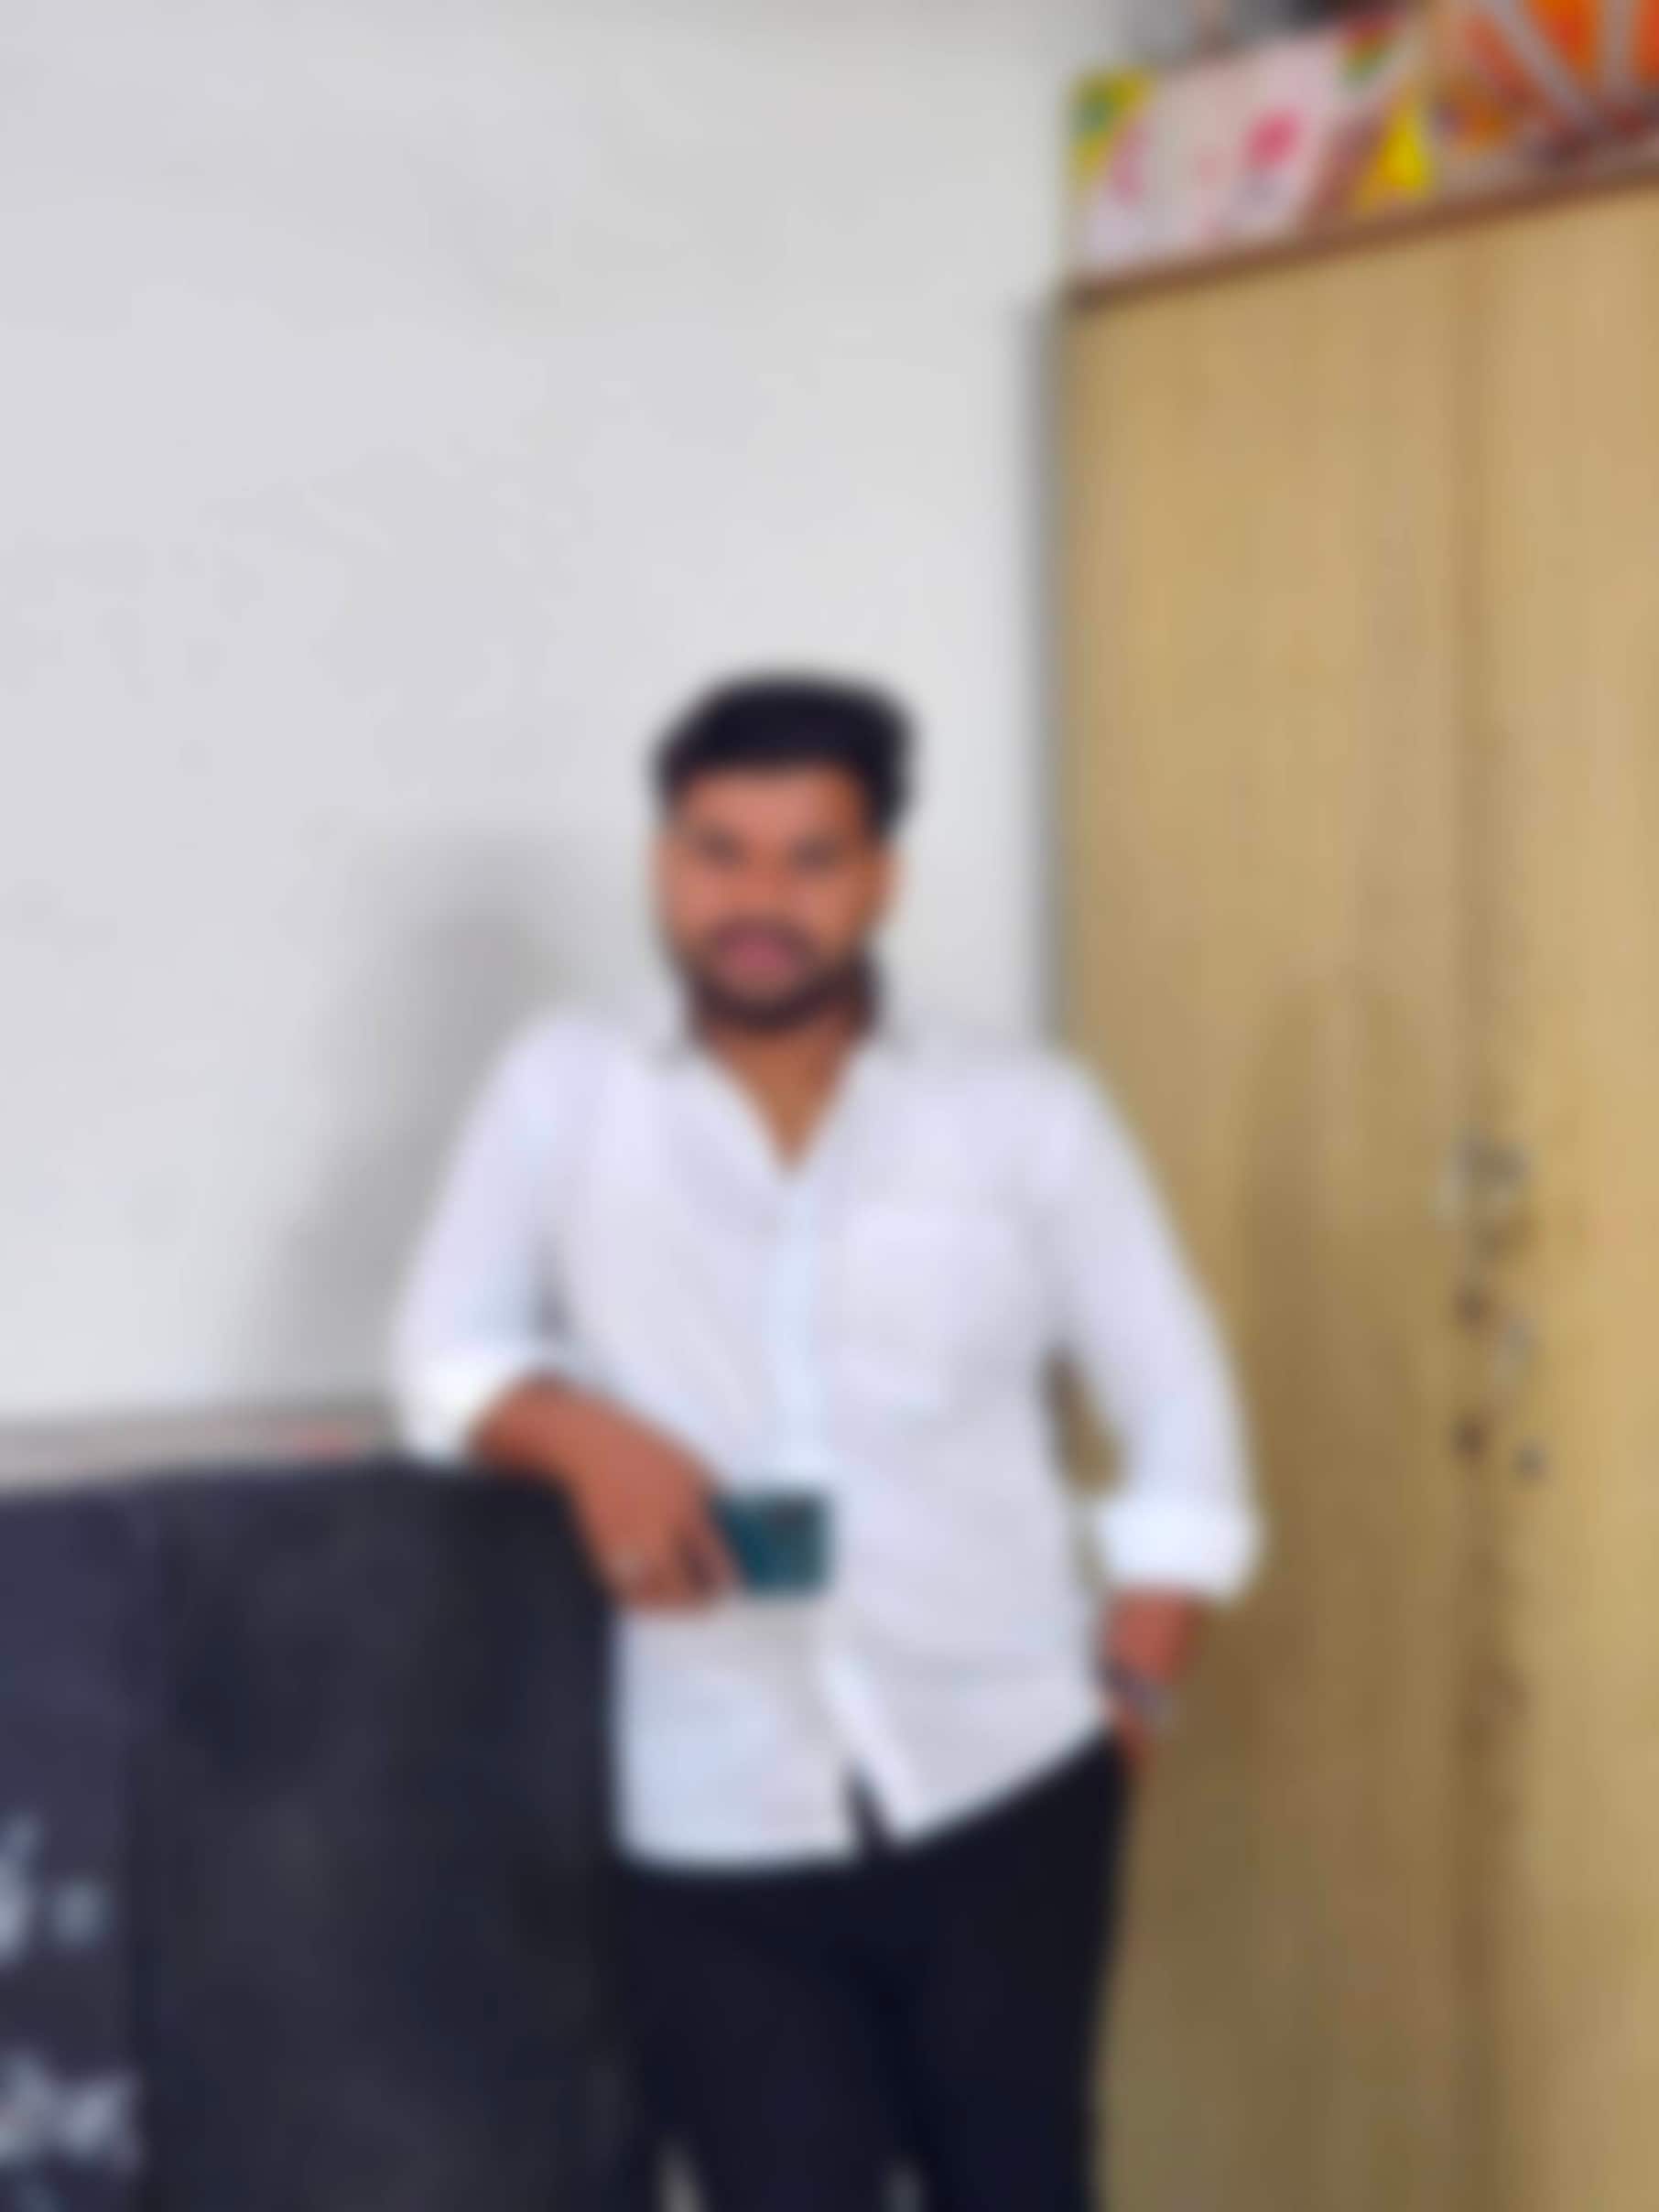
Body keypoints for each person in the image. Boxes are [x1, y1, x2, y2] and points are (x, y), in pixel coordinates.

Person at [386, 676, 1263, 2211]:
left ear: (881, 879)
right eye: (720, 851)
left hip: (1005, 1777)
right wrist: (583, 1434)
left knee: (1023, 2185)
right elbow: (439, 1356)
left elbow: (1180, 1402)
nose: (759, 902)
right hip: (713, 1804)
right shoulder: (567, 1089)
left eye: (811, 858)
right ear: (665, 861)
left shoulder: (1023, 1114)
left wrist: (1135, 1683)